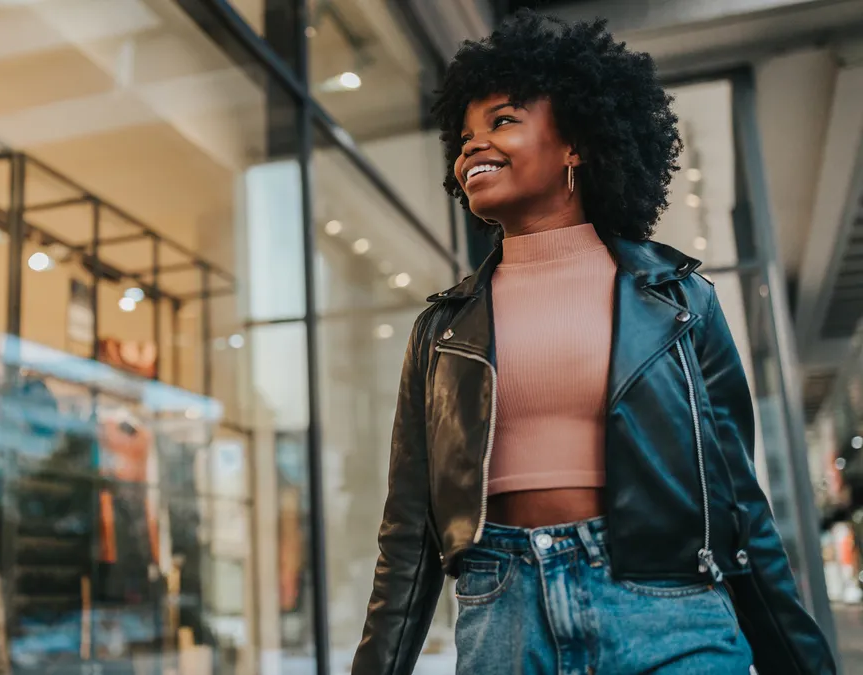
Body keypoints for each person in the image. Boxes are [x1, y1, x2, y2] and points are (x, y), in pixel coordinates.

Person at [352, 11, 835, 675]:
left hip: (668, 609)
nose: (471, 146)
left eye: (501, 120)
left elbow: (739, 503)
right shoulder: (441, 331)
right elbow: (409, 530)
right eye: (463, 136)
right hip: (503, 613)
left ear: (575, 142)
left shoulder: (679, 301)